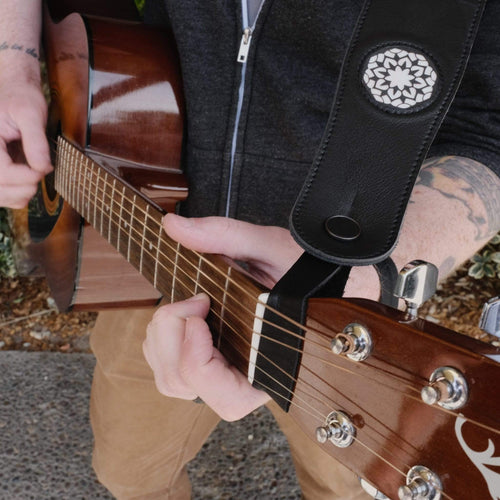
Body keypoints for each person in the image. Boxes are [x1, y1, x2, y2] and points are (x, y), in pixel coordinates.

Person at [1, 0, 499, 498]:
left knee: (340, 488)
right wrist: (13, 64)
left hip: (342, 314)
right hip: (148, 266)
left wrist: (373, 271)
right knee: (129, 473)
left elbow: (489, 128)